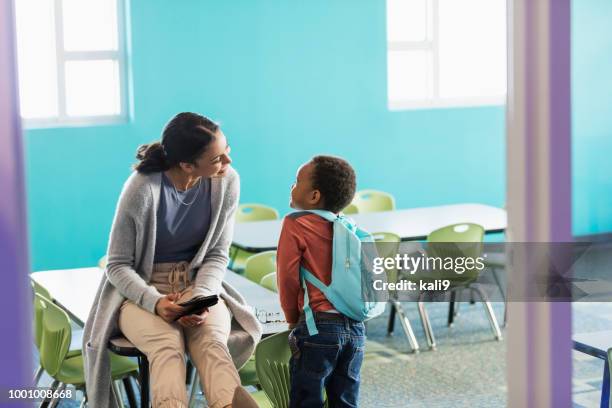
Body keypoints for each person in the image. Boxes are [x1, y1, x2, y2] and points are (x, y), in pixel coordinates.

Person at [83, 112, 262, 408]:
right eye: (218, 158)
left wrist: (203, 297)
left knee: (212, 344)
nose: (228, 163)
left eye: (226, 152)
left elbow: (217, 253)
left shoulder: (227, 182)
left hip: (198, 284)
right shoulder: (141, 187)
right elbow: (117, 265)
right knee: (167, 348)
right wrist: (155, 301)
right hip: (141, 291)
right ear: (187, 164)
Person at [277, 155, 365, 408]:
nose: (292, 186)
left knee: (308, 399)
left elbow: (288, 278)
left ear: (314, 196)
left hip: (319, 328)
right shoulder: (348, 225)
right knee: (345, 400)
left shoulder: (295, 224)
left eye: (296, 181)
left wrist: (292, 318)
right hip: (356, 330)